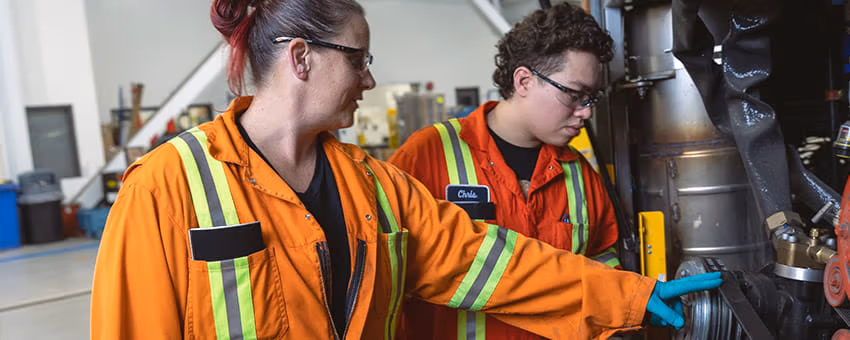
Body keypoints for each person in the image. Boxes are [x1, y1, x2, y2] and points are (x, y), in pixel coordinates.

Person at [90, 0, 721, 339]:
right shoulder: (167, 188)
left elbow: (497, 264)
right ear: (303, 58)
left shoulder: (376, 187)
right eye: (359, 59)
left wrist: (631, 295)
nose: (369, 78)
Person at [388, 4, 632, 339]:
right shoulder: (427, 155)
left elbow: (602, 268)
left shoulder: (580, 175)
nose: (584, 113)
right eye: (574, 95)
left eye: (590, 98)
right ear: (524, 80)